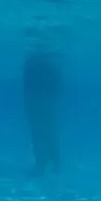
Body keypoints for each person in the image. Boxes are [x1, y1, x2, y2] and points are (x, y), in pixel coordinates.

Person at [23, 48, 62, 177]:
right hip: (43, 105)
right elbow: (56, 86)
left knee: (40, 134)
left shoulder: (32, 64)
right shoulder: (49, 66)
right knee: (46, 133)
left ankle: (45, 165)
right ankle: (52, 163)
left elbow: (28, 86)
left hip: (38, 105)